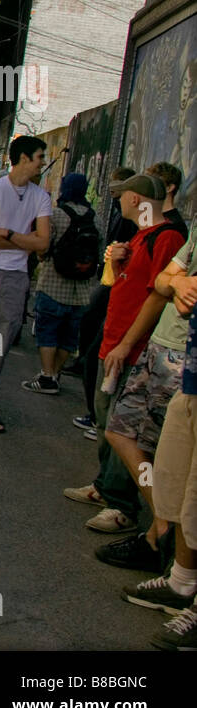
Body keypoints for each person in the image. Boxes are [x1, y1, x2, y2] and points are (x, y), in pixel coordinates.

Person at [63, 173, 186, 538]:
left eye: (121, 195)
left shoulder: (166, 238)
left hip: (130, 350)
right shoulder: (141, 236)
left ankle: (124, 505)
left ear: (135, 198)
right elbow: (126, 287)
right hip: (114, 343)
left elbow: (157, 295)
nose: (117, 201)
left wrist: (127, 344)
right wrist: (115, 267)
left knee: (123, 428)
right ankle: (107, 487)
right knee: (106, 421)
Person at [98, 214, 196, 573]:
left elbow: (165, 281)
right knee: (118, 431)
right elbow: (161, 283)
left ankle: (164, 540)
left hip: (181, 355)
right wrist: (126, 343)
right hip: (159, 345)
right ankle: (161, 520)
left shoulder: (168, 234)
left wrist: (174, 281)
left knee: (167, 455)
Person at [120, 241, 197, 650]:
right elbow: (165, 279)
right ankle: (181, 582)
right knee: (177, 484)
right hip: (191, 374)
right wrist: (181, 282)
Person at [0, 135, 52, 433]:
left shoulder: (40, 197)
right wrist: (25, 241)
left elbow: (43, 243)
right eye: (39, 157)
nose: (42, 163)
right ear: (23, 159)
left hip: (15, 279)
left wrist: (6, 234)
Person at [71, 166, 139, 437]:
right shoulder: (120, 215)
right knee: (93, 350)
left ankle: (100, 421)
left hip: (116, 296)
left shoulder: (145, 227)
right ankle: (98, 419)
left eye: (119, 188)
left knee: (99, 357)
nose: (114, 193)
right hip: (110, 289)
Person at [21, 173, 97, 395]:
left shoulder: (56, 215)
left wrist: (41, 257)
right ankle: (54, 374)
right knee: (69, 337)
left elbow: (44, 247)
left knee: (48, 331)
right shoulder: (95, 218)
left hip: (53, 284)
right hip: (82, 291)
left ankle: (46, 376)